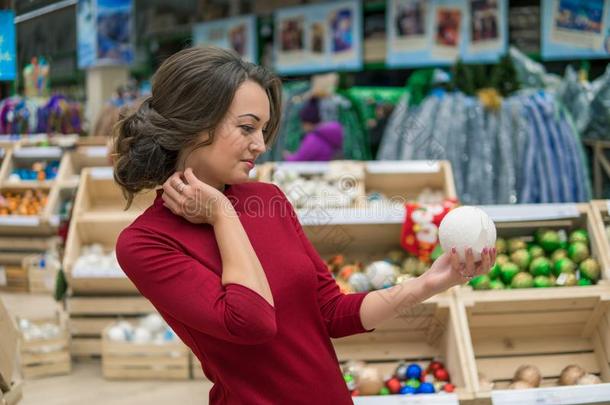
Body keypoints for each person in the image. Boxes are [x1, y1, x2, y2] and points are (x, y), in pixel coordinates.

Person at [112, 46, 494, 404]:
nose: (260, 145)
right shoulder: (146, 243)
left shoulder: (268, 199)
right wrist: (222, 215)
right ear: (194, 124)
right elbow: (252, 322)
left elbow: (331, 312)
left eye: (263, 129)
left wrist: (431, 282)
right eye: (247, 128)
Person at [284, 97, 344, 162]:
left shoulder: (313, 139)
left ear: (307, 123)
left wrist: (286, 156)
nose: (302, 127)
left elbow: (298, 160)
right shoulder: (326, 137)